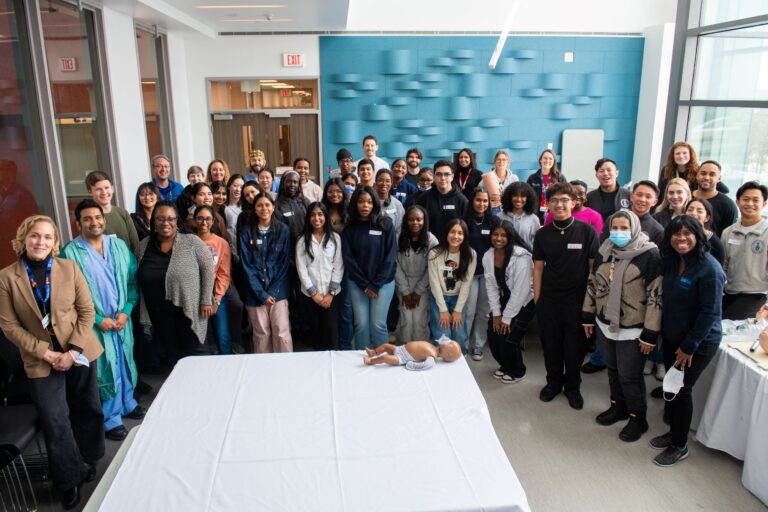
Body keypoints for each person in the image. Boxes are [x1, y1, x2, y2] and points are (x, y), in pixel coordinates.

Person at [0, 215, 104, 509]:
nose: (40, 242)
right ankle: (69, 480)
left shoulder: (69, 268)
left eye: (47, 237)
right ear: (24, 238)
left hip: (79, 351)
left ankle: (88, 458)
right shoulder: (6, 278)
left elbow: (87, 311)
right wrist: (47, 354)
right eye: (35, 235)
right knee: (55, 419)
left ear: (55, 242)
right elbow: (9, 326)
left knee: (87, 407)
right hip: (40, 359)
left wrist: (71, 352)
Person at [61, 200, 146, 442]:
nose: (94, 222)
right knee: (106, 368)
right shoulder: (69, 253)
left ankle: (127, 403)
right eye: (87, 218)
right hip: (93, 325)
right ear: (78, 223)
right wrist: (98, 319)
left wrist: (127, 310)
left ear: (104, 219)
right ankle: (110, 418)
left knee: (125, 360)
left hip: (121, 320)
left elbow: (132, 281)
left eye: (98, 217)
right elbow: (67, 297)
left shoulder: (118, 245)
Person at [650, 215, 724, 466]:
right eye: (676, 233)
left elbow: (710, 313)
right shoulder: (673, 261)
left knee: (681, 390)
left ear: (698, 236)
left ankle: (680, 445)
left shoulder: (709, 269)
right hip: (673, 336)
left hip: (698, 343)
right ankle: (674, 432)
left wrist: (689, 346)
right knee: (671, 388)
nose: (681, 238)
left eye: (687, 233)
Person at [582, 210, 662, 442]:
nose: (618, 233)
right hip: (605, 323)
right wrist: (587, 314)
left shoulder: (650, 254)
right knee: (613, 370)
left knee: (630, 375)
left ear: (634, 229)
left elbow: (656, 296)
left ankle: (638, 417)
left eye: (624, 228)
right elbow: (593, 283)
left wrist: (650, 333)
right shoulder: (605, 250)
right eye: (614, 228)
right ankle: (618, 406)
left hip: (634, 328)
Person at [533, 182, 598, 410]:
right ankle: (553, 383)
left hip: (577, 301)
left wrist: (591, 303)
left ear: (573, 202)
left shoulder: (586, 231)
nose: (559, 205)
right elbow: (538, 267)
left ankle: (572, 387)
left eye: (564, 200)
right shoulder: (542, 234)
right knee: (551, 346)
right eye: (554, 200)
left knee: (574, 348)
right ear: (548, 204)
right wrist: (538, 299)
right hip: (549, 300)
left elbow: (593, 269)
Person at [136, 201, 214, 367]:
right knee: (171, 355)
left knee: (196, 354)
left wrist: (206, 300)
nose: (166, 223)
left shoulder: (191, 241)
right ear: (154, 221)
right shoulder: (143, 246)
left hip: (188, 309)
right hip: (158, 312)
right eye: (160, 219)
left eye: (170, 219)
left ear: (177, 220)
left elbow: (208, 268)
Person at [341, 186, 397, 350]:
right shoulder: (350, 227)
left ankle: (383, 358)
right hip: (358, 283)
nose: (365, 206)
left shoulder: (385, 224)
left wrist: (375, 284)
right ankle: (362, 358)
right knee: (361, 324)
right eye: (361, 201)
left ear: (375, 204)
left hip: (383, 283)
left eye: (369, 202)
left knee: (378, 324)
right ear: (355, 203)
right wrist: (366, 285)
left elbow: (390, 257)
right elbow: (348, 259)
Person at [238, 193, 293, 353]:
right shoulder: (246, 232)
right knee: (262, 334)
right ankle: (263, 367)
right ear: (254, 209)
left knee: (281, 333)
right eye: (259, 205)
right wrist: (261, 294)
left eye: (267, 205)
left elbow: (284, 264)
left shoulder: (283, 230)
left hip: (278, 291)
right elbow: (246, 266)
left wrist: (272, 292)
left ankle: (286, 366)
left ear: (273, 207)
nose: (264, 208)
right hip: (254, 293)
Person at [484, 222, 535, 384]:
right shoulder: (488, 255)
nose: (498, 238)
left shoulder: (522, 257)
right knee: (493, 334)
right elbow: (491, 286)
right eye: (495, 234)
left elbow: (521, 291)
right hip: (505, 297)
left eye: (503, 235)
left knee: (508, 336)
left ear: (510, 237)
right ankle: (506, 366)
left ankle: (518, 371)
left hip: (525, 301)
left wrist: (506, 318)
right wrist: (496, 314)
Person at [296, 202, 344, 350]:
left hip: (331, 295)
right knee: (315, 331)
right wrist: (314, 293)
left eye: (320, 214)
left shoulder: (335, 238)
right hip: (311, 296)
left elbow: (338, 266)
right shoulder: (302, 240)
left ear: (326, 216)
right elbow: (301, 269)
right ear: (308, 218)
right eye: (313, 215)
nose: (316, 218)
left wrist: (331, 293)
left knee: (331, 331)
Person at [428, 218, 477, 353]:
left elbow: (466, 284)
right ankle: (441, 357)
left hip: (458, 297)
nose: (456, 236)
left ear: (465, 236)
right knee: (442, 333)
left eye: (460, 233)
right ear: (446, 233)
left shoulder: (471, 254)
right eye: (452, 232)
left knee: (459, 333)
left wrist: (458, 310)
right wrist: (443, 309)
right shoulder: (434, 253)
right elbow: (434, 283)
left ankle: (460, 356)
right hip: (438, 297)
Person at [721, 181, 768, 320]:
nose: (750, 204)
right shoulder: (728, 232)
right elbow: (723, 266)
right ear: (737, 202)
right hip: (729, 293)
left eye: (755, 200)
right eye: (746, 199)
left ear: (764, 204)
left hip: (756, 295)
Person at [463, 188, 499, 361]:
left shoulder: (494, 221)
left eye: (485, 201)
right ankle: (462, 345)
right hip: (469, 273)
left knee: (484, 312)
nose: (482, 204)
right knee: (468, 311)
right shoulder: (464, 221)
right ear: (472, 201)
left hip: (488, 274)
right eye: (478, 200)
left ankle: (477, 346)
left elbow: (500, 244)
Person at [395, 205, 438, 344]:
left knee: (420, 318)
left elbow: (432, 268)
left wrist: (419, 290)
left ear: (424, 220)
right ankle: (404, 347)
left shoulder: (431, 240)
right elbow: (395, 265)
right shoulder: (398, 238)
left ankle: (421, 348)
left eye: (419, 219)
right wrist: (405, 291)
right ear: (405, 221)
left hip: (424, 284)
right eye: (411, 219)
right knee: (406, 317)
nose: (415, 223)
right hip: (403, 283)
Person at [194, 205, 232, 355]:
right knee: (200, 337)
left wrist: (217, 300)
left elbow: (224, 274)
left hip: (215, 293)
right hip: (194, 293)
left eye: (207, 219)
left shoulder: (221, 243)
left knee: (222, 335)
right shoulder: (188, 241)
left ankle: (227, 362)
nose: (204, 222)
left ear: (213, 221)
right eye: (200, 218)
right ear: (194, 220)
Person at [322, 178, 354, 349]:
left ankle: (345, 345)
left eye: (338, 191)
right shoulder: (321, 211)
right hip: (326, 266)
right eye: (331, 191)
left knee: (346, 307)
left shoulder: (350, 212)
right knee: (329, 307)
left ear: (344, 193)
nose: (334, 194)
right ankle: (331, 345)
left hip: (346, 266)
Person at [85, 171, 139, 254]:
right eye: (98, 189)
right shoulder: (88, 219)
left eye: (106, 187)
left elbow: (135, 244)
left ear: (112, 189)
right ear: (90, 192)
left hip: (129, 261)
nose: (104, 192)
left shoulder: (123, 213)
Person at [416, 160, 469, 239]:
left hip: (454, 244)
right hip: (430, 244)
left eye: (446, 174)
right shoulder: (423, 199)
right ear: (434, 177)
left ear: (452, 177)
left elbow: (467, 229)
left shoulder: (462, 201)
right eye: (439, 174)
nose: (443, 178)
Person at [692, 160, 738, 237]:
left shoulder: (728, 205)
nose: (707, 177)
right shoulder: (686, 198)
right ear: (697, 175)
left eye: (712, 174)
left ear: (719, 178)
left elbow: (728, 237)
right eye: (703, 173)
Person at [526, 148, 566, 222]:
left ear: (554, 162)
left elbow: (565, 195)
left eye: (550, 159)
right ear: (540, 160)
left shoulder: (560, 178)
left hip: (555, 212)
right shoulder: (532, 178)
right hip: (536, 213)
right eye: (545, 158)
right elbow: (527, 196)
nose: (547, 161)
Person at [363, 340, 462, 369]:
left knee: (385, 358)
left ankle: (371, 361)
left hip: (402, 358)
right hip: (401, 348)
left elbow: (424, 365)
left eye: (449, 344)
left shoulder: (432, 357)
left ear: (448, 355)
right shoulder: (433, 347)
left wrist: (410, 365)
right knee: (385, 346)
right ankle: (373, 352)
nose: (447, 342)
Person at [500, 181, 541, 249]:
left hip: (526, 255)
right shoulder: (500, 216)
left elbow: (537, 244)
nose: (519, 199)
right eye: (515, 195)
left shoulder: (534, 219)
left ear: (528, 198)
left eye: (523, 196)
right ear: (509, 197)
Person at [685, 198, 725, 265]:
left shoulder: (714, 243)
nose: (693, 213)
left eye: (699, 211)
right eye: (690, 210)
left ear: (707, 218)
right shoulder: (679, 235)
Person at [375, 168, 405, 236]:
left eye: (387, 181)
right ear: (376, 182)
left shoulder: (397, 205)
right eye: (381, 180)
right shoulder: (370, 202)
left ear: (391, 183)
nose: (384, 184)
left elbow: (399, 230)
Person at [224, 173, 245, 244]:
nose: (238, 189)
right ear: (229, 186)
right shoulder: (224, 208)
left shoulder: (245, 207)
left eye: (241, 187)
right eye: (235, 186)